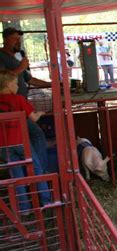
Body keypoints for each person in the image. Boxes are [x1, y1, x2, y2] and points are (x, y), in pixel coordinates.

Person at [0, 27, 50, 172]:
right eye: (15, 39)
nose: (18, 42)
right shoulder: (1, 57)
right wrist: (21, 68)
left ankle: (31, 175)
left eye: (20, 40)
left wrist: (53, 84)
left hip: (19, 108)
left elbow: (30, 79)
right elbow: (3, 79)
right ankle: (41, 172)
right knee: (37, 134)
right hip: (10, 109)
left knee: (30, 137)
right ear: (5, 39)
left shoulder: (16, 59)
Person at [0, 70, 51, 211]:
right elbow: (33, 118)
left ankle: (24, 208)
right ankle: (46, 201)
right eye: (16, 83)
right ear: (8, 85)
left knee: (16, 175)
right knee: (37, 169)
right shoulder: (18, 99)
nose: (18, 86)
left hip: (3, 146)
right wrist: (40, 113)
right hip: (20, 142)